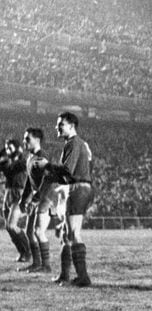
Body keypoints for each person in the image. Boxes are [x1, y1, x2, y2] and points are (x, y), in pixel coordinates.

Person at [35, 112, 94, 287]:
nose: (57, 127)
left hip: (77, 188)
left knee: (73, 234)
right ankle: (67, 275)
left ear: (71, 126)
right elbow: (68, 173)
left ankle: (83, 277)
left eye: (60, 124)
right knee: (67, 234)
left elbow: (67, 171)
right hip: (81, 187)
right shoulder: (79, 144)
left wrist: (47, 166)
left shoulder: (73, 143)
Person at [18, 128, 56, 273]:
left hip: (45, 197)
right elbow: (29, 179)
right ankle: (36, 263)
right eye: (24, 138)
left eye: (27, 139)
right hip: (37, 196)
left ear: (37, 140)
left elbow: (47, 179)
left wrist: (35, 199)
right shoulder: (30, 157)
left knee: (38, 231)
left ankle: (46, 266)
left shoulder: (42, 156)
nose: (24, 141)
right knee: (29, 232)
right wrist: (23, 199)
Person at [0, 139, 30, 262]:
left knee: (12, 226)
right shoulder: (8, 161)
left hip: (19, 192)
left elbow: (11, 168)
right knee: (8, 227)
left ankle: (28, 252)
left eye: (10, 147)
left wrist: (4, 159)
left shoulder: (24, 160)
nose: (7, 150)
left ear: (17, 148)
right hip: (8, 192)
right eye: (6, 148)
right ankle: (22, 252)